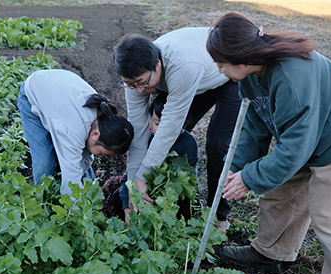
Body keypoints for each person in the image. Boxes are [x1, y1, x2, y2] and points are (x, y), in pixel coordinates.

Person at [206, 12, 331, 274]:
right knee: (280, 191)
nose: (219, 71)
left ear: (240, 58)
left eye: (221, 64)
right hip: (304, 138)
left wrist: (250, 178)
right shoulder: (251, 76)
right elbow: (255, 127)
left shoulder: (293, 74)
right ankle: (270, 251)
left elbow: (295, 148)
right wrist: (237, 169)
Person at [114, 28, 241, 232]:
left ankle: (218, 215)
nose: (138, 90)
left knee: (217, 145)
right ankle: (164, 203)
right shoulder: (134, 79)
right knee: (166, 143)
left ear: (157, 64)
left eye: (142, 83)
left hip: (225, 78)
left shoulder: (182, 66)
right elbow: (137, 132)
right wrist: (132, 187)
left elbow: (170, 127)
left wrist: (142, 176)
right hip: (195, 80)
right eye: (130, 84)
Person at [17, 69, 134, 196]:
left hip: (57, 90)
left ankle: (89, 195)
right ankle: (42, 200)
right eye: (102, 153)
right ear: (96, 134)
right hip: (33, 93)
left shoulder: (102, 117)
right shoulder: (73, 129)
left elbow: (83, 160)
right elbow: (70, 176)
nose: (100, 157)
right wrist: (72, 210)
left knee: (82, 168)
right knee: (45, 164)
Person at [112, 92, 200, 224]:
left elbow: (187, 182)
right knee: (117, 197)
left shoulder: (189, 144)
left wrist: (160, 202)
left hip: (173, 195)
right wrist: (127, 208)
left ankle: (179, 227)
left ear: (183, 125)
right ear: (149, 122)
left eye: (168, 127)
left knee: (190, 205)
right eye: (157, 123)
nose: (161, 133)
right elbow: (128, 177)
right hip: (147, 190)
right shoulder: (145, 140)